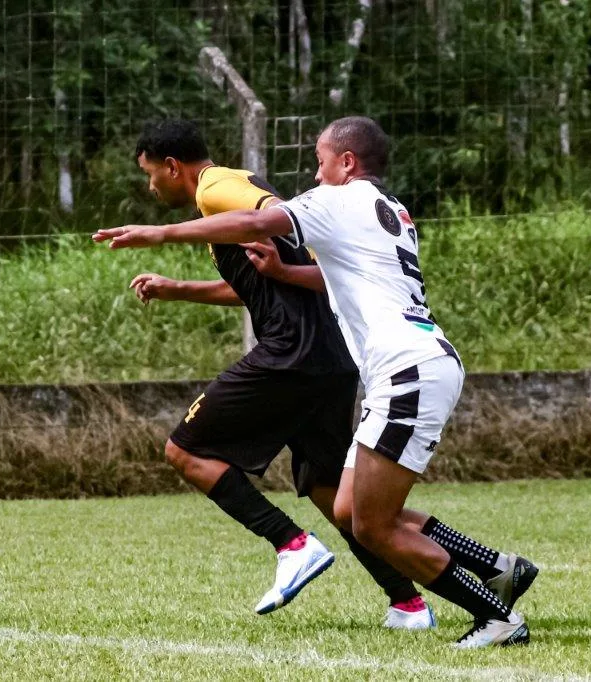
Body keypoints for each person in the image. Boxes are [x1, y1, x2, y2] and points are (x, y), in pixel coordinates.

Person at [94, 116, 538, 649]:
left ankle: (495, 617)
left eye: (320, 160)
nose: (314, 172)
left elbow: (257, 219)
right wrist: (280, 275)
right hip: (414, 361)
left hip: (405, 369)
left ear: (346, 162)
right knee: (349, 507)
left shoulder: (334, 199)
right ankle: (495, 569)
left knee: (371, 524)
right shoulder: (390, 211)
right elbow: (337, 277)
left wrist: (159, 233)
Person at [122, 119, 435, 627]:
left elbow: (268, 215)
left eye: (150, 174)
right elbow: (260, 281)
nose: (151, 185)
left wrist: (161, 236)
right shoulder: (231, 188)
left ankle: (291, 544)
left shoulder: (215, 187)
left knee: (185, 450)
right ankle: (408, 603)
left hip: (292, 351)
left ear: (173, 167)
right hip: (330, 356)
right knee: (328, 488)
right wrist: (177, 288)